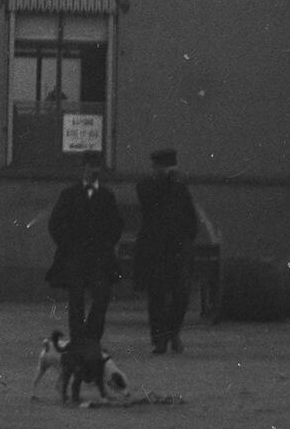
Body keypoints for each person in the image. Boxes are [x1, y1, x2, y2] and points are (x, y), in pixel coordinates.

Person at [46, 163, 127, 403]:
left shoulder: (106, 196)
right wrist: (68, 244)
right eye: (88, 169)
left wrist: (105, 244)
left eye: (95, 170)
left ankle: (92, 339)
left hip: (100, 258)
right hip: (75, 257)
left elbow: (117, 225)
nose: (92, 174)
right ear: (82, 171)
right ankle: (79, 338)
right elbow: (55, 224)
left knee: (101, 297)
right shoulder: (69, 194)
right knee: (76, 298)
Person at [133, 148, 199, 356]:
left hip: (178, 248)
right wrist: (169, 181)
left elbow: (189, 214)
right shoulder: (148, 185)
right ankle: (160, 339)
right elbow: (150, 201)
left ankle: (172, 332)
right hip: (156, 248)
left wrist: (188, 239)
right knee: (158, 296)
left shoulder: (180, 187)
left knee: (181, 294)